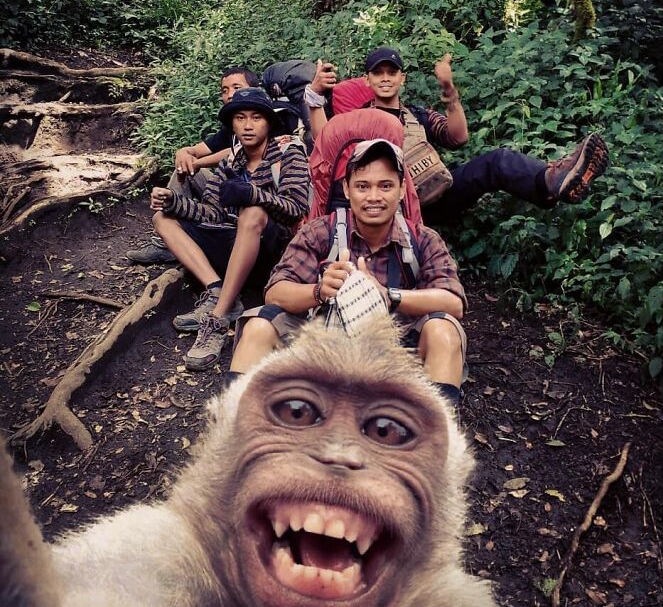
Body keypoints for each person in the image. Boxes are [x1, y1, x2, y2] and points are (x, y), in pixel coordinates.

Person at [226, 138, 468, 412]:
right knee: (259, 325)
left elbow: (453, 302)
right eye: (363, 186)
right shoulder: (319, 231)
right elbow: (276, 291)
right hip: (323, 345)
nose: (374, 197)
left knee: (444, 331)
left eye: (385, 186)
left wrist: (389, 296)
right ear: (347, 189)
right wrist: (318, 291)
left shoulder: (423, 239)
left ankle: (436, 438)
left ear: (402, 190)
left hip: (399, 352)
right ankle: (236, 425)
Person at [305, 47, 609, 224]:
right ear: (368, 79)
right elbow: (327, 145)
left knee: (496, 162)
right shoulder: (357, 117)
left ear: (402, 78)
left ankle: (553, 181)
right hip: (390, 204)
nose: (385, 78)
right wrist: (316, 95)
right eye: (378, 73)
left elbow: (457, 137)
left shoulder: (417, 115)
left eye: (391, 72)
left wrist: (449, 92)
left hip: (436, 193)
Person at [150, 88, 310, 372]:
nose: (248, 125)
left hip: (275, 251)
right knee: (163, 218)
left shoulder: (289, 152)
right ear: (232, 124)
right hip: (236, 242)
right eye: (240, 118)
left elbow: (297, 207)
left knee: (252, 212)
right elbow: (213, 211)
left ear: (268, 123)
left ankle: (218, 318)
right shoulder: (231, 160)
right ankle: (217, 289)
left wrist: (252, 194)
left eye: (256, 118)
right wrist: (174, 202)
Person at [127, 66, 258, 265]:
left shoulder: (265, 120)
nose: (230, 95)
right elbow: (196, 149)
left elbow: (238, 151)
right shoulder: (230, 127)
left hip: (252, 204)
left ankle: (182, 238)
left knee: (192, 168)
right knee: (185, 170)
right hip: (227, 196)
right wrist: (184, 153)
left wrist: (196, 163)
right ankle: (167, 242)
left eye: (237, 88)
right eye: (224, 90)